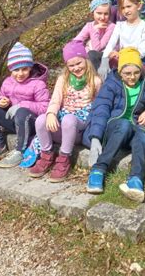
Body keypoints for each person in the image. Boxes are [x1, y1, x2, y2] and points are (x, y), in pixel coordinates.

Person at [86, 47, 145, 202]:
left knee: (142, 137)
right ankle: (98, 169)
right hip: (114, 126)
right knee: (123, 124)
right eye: (127, 73)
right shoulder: (111, 84)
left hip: (134, 125)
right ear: (120, 72)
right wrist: (96, 136)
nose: (132, 77)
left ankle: (136, 180)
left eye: (136, 73)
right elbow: (101, 109)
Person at [29, 41, 101, 182]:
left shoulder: (96, 81)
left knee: (69, 119)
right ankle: (46, 155)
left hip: (79, 128)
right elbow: (55, 100)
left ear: (86, 60)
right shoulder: (63, 79)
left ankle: (64, 158)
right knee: (41, 119)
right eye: (71, 65)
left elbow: (99, 107)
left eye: (79, 63)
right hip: (62, 124)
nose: (76, 68)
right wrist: (51, 114)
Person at [0, 42, 50, 168]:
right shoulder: (7, 82)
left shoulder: (38, 84)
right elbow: (1, 97)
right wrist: (1, 101)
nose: (20, 73)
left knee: (22, 112)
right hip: (12, 121)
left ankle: (20, 151)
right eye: (16, 70)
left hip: (29, 123)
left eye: (24, 69)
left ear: (30, 68)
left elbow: (45, 107)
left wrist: (22, 105)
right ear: (10, 69)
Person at [98, 0, 145, 79]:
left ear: (138, 6)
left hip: (139, 60)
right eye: (123, 8)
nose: (126, 11)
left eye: (129, 6)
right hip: (122, 59)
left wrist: (122, 54)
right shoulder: (120, 25)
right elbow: (111, 43)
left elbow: (142, 52)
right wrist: (104, 59)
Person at [74, 0, 116, 69]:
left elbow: (97, 49)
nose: (102, 17)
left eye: (106, 14)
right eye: (99, 13)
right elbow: (76, 42)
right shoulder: (89, 25)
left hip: (106, 58)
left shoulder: (111, 27)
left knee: (92, 54)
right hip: (90, 58)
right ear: (92, 13)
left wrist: (94, 30)